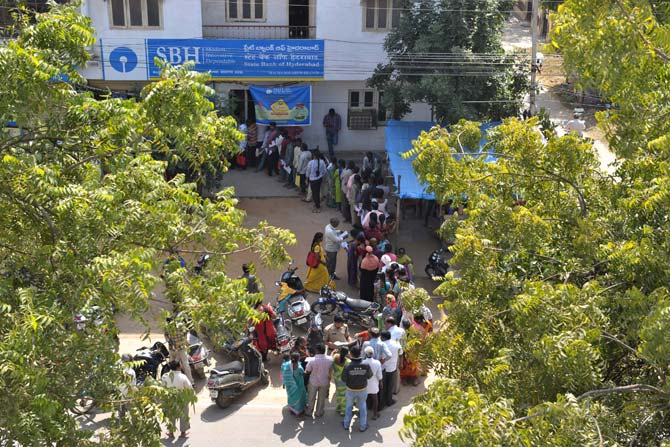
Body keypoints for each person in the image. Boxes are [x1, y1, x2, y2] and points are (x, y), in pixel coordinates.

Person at [342, 345, 372, 432]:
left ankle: (346, 425)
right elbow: (369, 376)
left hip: (350, 390)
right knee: (362, 407)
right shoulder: (366, 364)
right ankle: (363, 426)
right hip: (362, 390)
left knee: (348, 406)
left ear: (351, 354)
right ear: (360, 353)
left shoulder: (347, 366)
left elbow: (344, 379)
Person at [162, 360, 193, 439]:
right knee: (184, 415)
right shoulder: (183, 376)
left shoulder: (165, 376)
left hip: (170, 399)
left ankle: (171, 433)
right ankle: (183, 433)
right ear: (178, 367)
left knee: (170, 416)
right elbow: (189, 388)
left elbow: (162, 388)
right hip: (182, 399)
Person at [305, 343, 333, 418]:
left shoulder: (312, 360)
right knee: (321, 398)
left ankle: (309, 412)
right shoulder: (330, 359)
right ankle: (319, 412)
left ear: (317, 351)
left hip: (313, 381)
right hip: (324, 382)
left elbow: (307, 370)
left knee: (311, 397)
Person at [164, 316, 194, 384]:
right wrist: (169, 341)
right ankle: (188, 382)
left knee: (181, 365)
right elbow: (166, 335)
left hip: (177, 349)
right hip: (176, 349)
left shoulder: (175, 327)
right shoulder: (171, 327)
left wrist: (186, 341)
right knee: (179, 365)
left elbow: (187, 332)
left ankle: (190, 382)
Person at [281, 352, 308, 417]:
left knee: (291, 397)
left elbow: (283, 373)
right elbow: (303, 374)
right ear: (298, 358)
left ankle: (292, 409)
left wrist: (284, 383)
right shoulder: (299, 368)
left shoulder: (287, 365)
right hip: (299, 385)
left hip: (290, 386)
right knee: (299, 398)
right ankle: (298, 411)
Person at [380, 330, 402, 407]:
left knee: (382, 386)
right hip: (392, 368)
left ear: (383, 337)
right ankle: (389, 401)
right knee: (390, 386)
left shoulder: (382, 345)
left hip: (383, 369)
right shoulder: (396, 343)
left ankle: (382, 403)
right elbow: (401, 353)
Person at [362, 345, 383, 421]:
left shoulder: (363, 362)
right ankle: (375, 414)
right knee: (375, 399)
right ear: (373, 353)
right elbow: (379, 375)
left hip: (364, 384)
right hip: (374, 384)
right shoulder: (377, 363)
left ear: (365, 354)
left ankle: (363, 414)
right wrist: (381, 383)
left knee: (363, 400)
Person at [332, 346, 350, 416]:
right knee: (345, 396)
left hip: (336, 379)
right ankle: (343, 410)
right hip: (344, 381)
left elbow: (331, 359)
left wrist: (333, 353)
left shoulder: (335, 357)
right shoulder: (348, 362)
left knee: (338, 393)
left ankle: (338, 407)